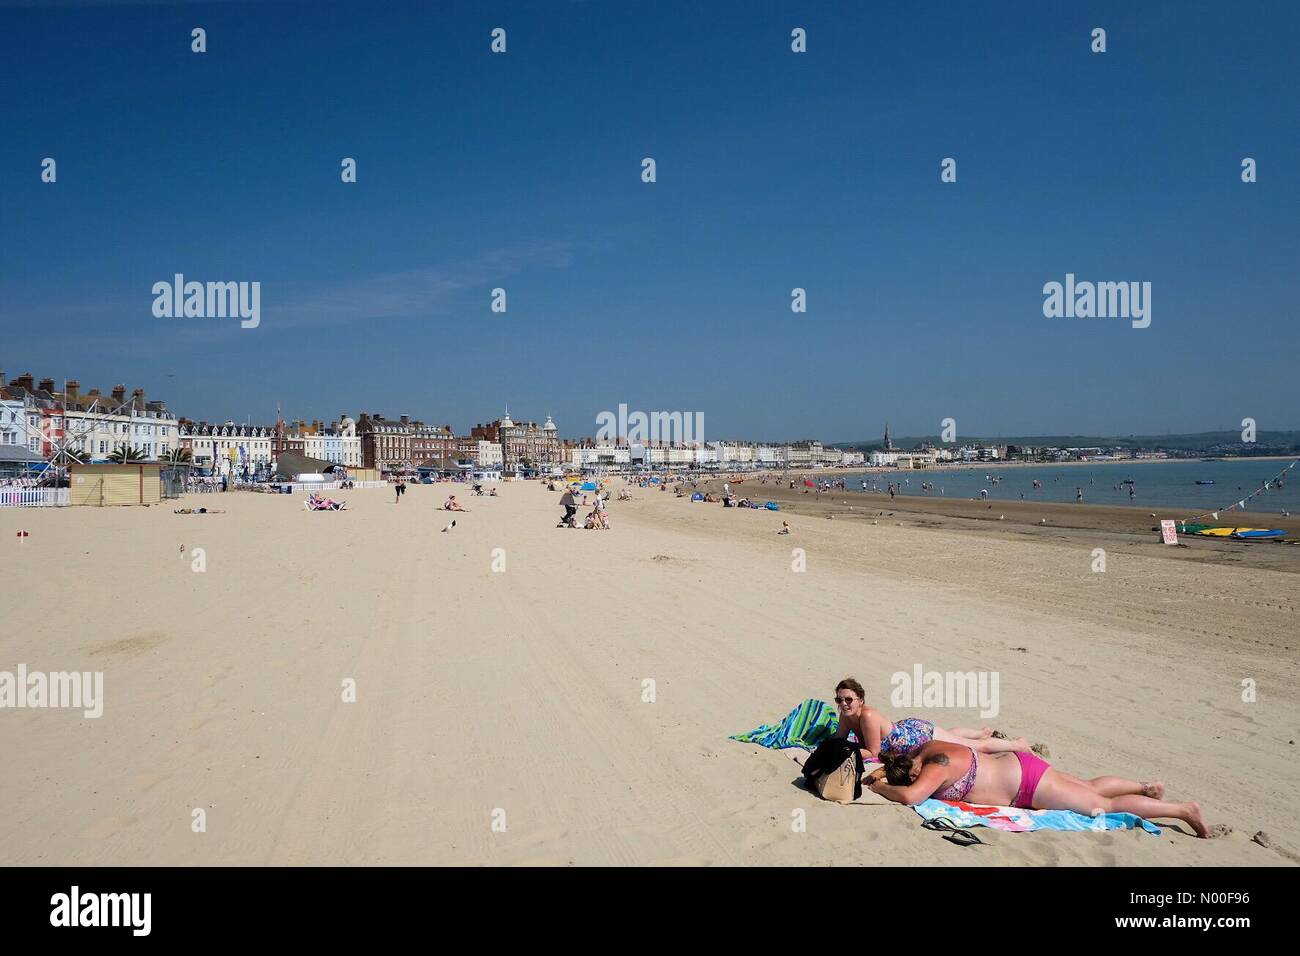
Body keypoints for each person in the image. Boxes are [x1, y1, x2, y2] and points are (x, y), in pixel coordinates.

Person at [870, 739, 1212, 837]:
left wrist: (880, 788)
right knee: (1089, 787)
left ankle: (1182, 810)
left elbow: (912, 796)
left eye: (914, 774)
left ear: (916, 769)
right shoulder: (925, 748)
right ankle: (1145, 786)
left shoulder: (936, 765)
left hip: (1026, 786)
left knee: (1102, 806)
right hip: (1020, 767)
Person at [831, 678, 1029, 761]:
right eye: (839, 700)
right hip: (907, 731)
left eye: (849, 699)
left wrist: (844, 751)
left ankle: (1016, 744)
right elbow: (838, 738)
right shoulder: (845, 714)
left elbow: (873, 752)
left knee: (974, 747)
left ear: (861, 700)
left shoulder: (868, 715)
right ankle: (980, 732)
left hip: (917, 737)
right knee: (948, 735)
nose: (844, 703)